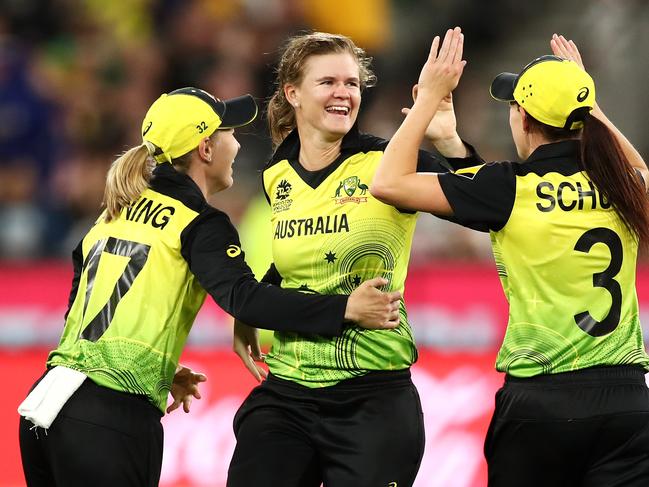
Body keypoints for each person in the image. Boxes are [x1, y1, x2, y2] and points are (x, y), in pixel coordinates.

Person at [18, 87, 403, 487]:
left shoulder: (114, 212)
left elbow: (82, 311)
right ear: (206, 148)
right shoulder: (199, 221)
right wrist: (343, 309)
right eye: (230, 133)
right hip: (109, 418)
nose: (236, 144)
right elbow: (245, 299)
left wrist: (157, 369)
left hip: (46, 404)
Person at [372, 28, 649, 486]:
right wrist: (584, 99)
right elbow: (637, 167)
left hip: (543, 402)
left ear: (521, 117)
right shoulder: (623, 185)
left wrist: (428, 102)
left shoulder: (510, 187)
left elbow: (389, 182)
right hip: (627, 403)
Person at [227, 32, 475, 487]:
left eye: (352, 83)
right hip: (288, 390)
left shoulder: (389, 162)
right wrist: (250, 314)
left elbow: (482, 202)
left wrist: (451, 142)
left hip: (373, 397)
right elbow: (293, 258)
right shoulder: (276, 174)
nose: (344, 92)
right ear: (293, 93)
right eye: (328, 82)